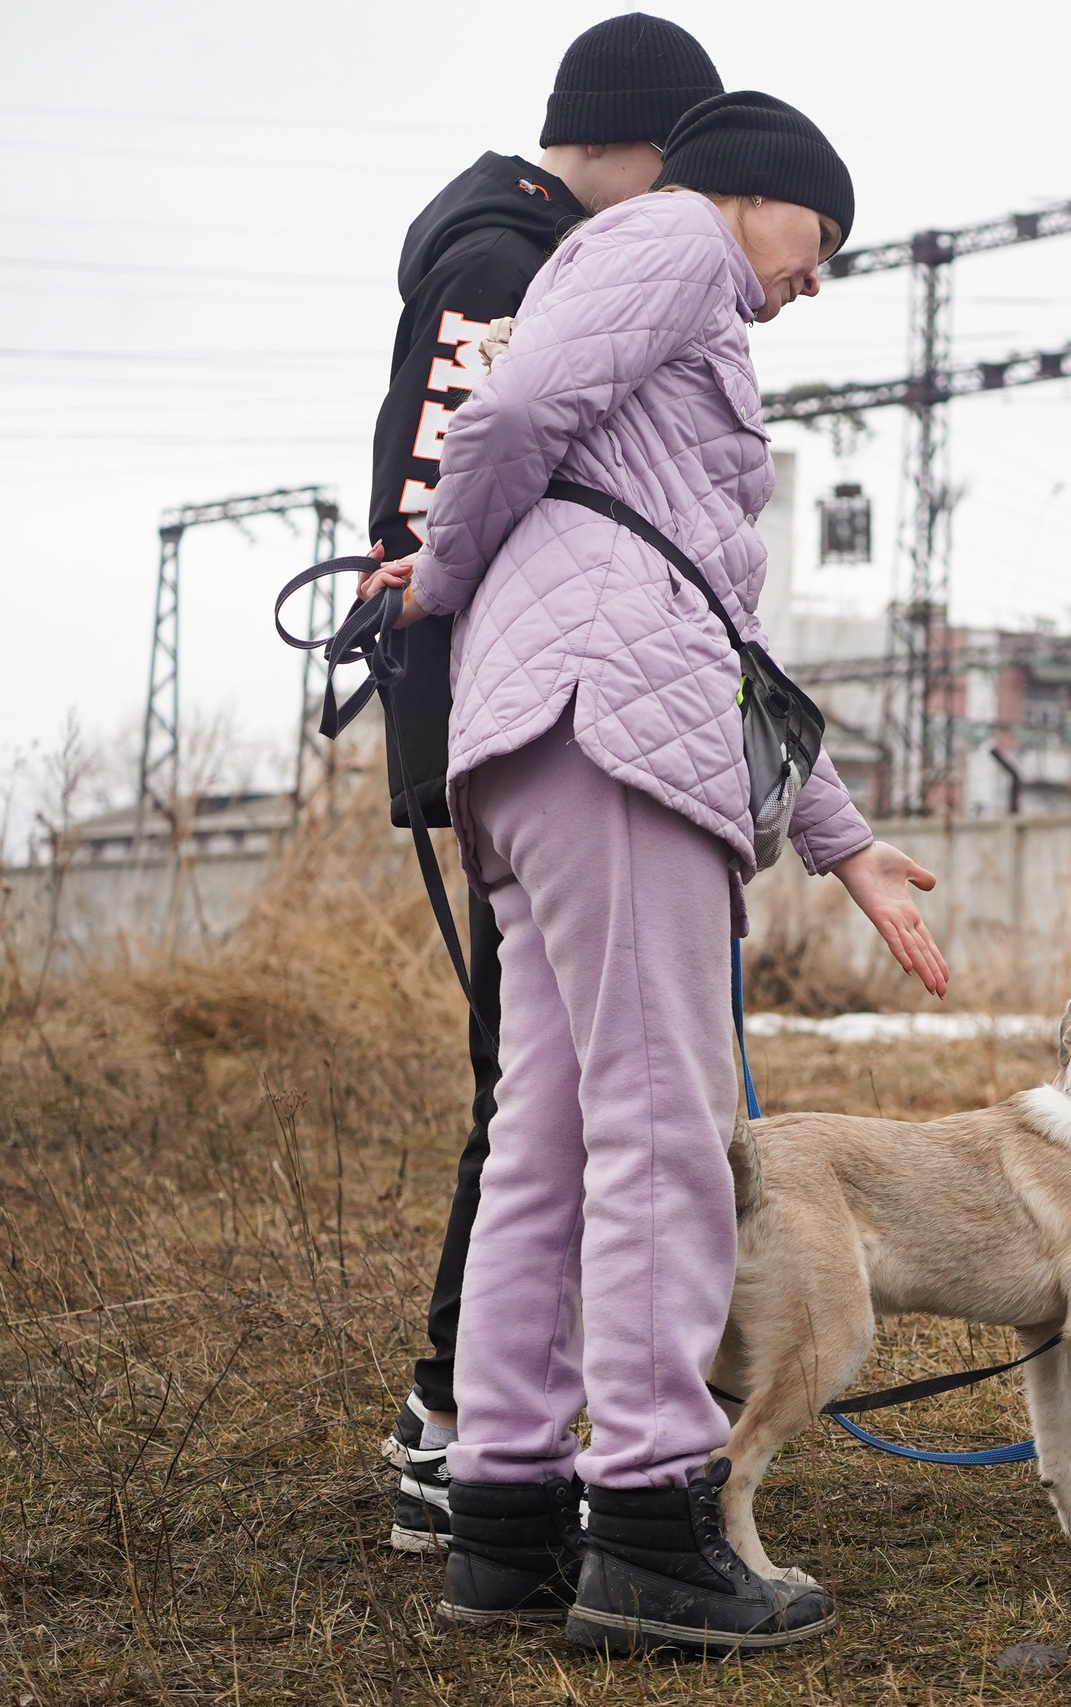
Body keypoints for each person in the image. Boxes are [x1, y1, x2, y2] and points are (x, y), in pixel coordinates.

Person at [358, 93, 947, 1653]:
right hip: (611, 735)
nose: (814, 280)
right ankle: (654, 1526)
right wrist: (449, 576)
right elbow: (505, 411)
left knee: (546, 1139)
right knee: (666, 1134)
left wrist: (845, 841)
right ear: (756, 197)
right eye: (821, 241)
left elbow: (719, 626)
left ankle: (502, 1521)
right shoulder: (671, 238)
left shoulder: (666, 330)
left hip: (554, 734)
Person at [365, 13, 723, 1556]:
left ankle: (486, 1447)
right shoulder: (512, 267)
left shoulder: (507, 250)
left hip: (518, 717)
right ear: (642, 149)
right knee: (566, 1093)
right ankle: (464, 1429)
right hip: (550, 726)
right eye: (685, 169)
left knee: (544, 1094)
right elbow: (479, 469)